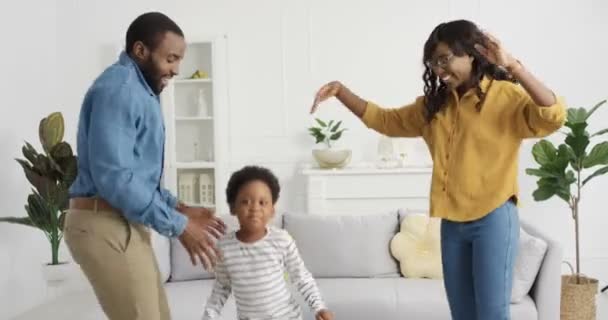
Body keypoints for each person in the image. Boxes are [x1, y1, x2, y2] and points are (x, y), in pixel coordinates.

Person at [310, 19, 566, 320]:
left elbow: (553, 116)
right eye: (433, 64)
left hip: (494, 219)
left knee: (492, 314)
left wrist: (514, 67)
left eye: (445, 59)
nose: (439, 70)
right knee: (462, 314)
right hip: (452, 224)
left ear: (471, 53)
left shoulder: (504, 96)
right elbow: (384, 120)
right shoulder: (434, 106)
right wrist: (341, 92)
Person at [64, 12, 226, 320]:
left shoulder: (140, 91)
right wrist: (179, 226)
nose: (176, 69)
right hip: (104, 223)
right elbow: (115, 178)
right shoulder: (121, 89)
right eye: (171, 58)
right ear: (140, 50)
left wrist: (178, 206)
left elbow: (136, 176)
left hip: (120, 220)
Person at [202, 166, 333, 320]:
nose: (254, 208)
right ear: (233, 207)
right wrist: (210, 315)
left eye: (263, 202)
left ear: (272, 210)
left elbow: (302, 277)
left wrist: (319, 307)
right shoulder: (225, 247)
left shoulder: (281, 240)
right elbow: (222, 286)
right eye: (245, 202)